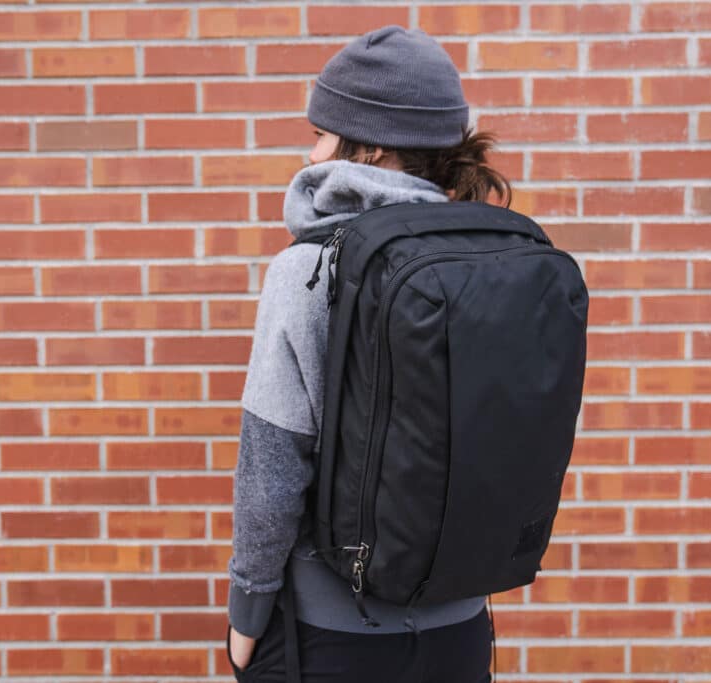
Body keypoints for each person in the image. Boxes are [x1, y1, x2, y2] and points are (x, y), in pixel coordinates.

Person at [225, 25, 512, 683]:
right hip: (463, 627)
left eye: (322, 135)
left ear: (372, 149)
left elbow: (270, 471)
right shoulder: (490, 261)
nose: (309, 151)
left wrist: (246, 621)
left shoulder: (305, 268)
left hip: (331, 633)